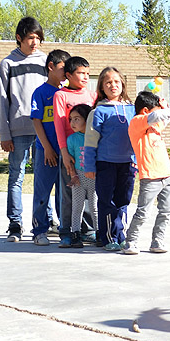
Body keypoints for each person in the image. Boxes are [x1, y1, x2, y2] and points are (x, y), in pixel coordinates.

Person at [0, 17, 47, 242]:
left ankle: (46, 219)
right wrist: (4, 134)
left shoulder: (46, 61)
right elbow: (3, 100)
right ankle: (15, 223)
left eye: (38, 38)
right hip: (18, 130)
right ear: (19, 38)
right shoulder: (8, 63)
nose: (35, 42)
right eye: (30, 38)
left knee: (43, 178)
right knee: (16, 177)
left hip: (43, 131)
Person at [123, 91, 170, 255]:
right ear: (145, 111)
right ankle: (130, 242)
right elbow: (159, 116)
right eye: (155, 111)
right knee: (143, 212)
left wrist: (164, 106)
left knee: (166, 211)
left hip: (167, 174)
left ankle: (157, 241)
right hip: (150, 176)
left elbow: (163, 118)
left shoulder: (153, 125)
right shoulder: (137, 122)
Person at [81, 67, 137, 251]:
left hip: (127, 164)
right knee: (106, 202)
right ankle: (107, 238)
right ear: (102, 88)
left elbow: (138, 137)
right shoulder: (98, 111)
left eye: (117, 82)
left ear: (123, 84)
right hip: (105, 164)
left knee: (123, 201)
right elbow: (90, 142)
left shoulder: (133, 109)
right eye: (108, 82)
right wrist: (89, 166)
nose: (113, 85)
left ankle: (121, 236)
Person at [52, 56, 96, 247]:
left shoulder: (92, 95)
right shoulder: (60, 96)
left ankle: (87, 231)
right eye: (80, 73)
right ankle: (66, 231)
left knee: (91, 197)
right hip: (70, 153)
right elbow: (60, 125)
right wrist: (64, 153)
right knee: (69, 194)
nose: (85, 77)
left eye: (87, 73)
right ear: (69, 75)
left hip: (90, 154)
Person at [28, 48, 70, 246]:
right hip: (46, 151)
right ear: (51, 67)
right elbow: (37, 121)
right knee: (43, 191)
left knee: (65, 192)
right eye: (63, 68)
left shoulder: (66, 93)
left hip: (65, 152)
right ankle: (39, 230)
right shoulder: (41, 93)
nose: (66, 73)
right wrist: (47, 147)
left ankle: (66, 229)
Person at [64, 105, 96, 248]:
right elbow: (71, 160)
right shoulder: (71, 139)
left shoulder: (95, 137)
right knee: (77, 206)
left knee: (95, 207)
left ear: (87, 119)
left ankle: (99, 232)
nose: (72, 123)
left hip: (94, 177)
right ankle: (75, 233)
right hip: (78, 177)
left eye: (77, 119)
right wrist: (73, 175)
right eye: (71, 119)